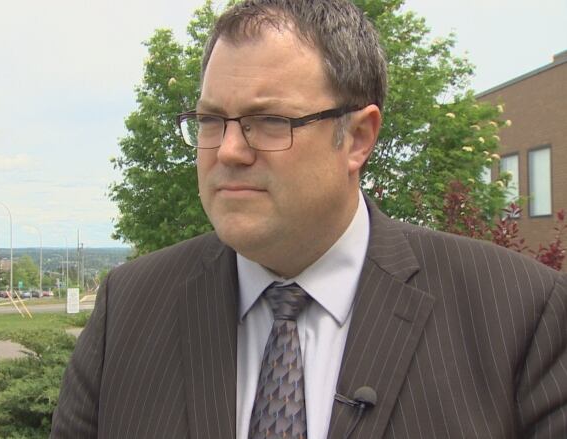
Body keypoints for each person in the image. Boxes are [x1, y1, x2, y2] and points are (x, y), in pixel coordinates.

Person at [51, 0, 567, 437]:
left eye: (269, 121)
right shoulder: (129, 309)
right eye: (211, 120)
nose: (228, 150)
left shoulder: (519, 315)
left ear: (358, 138)